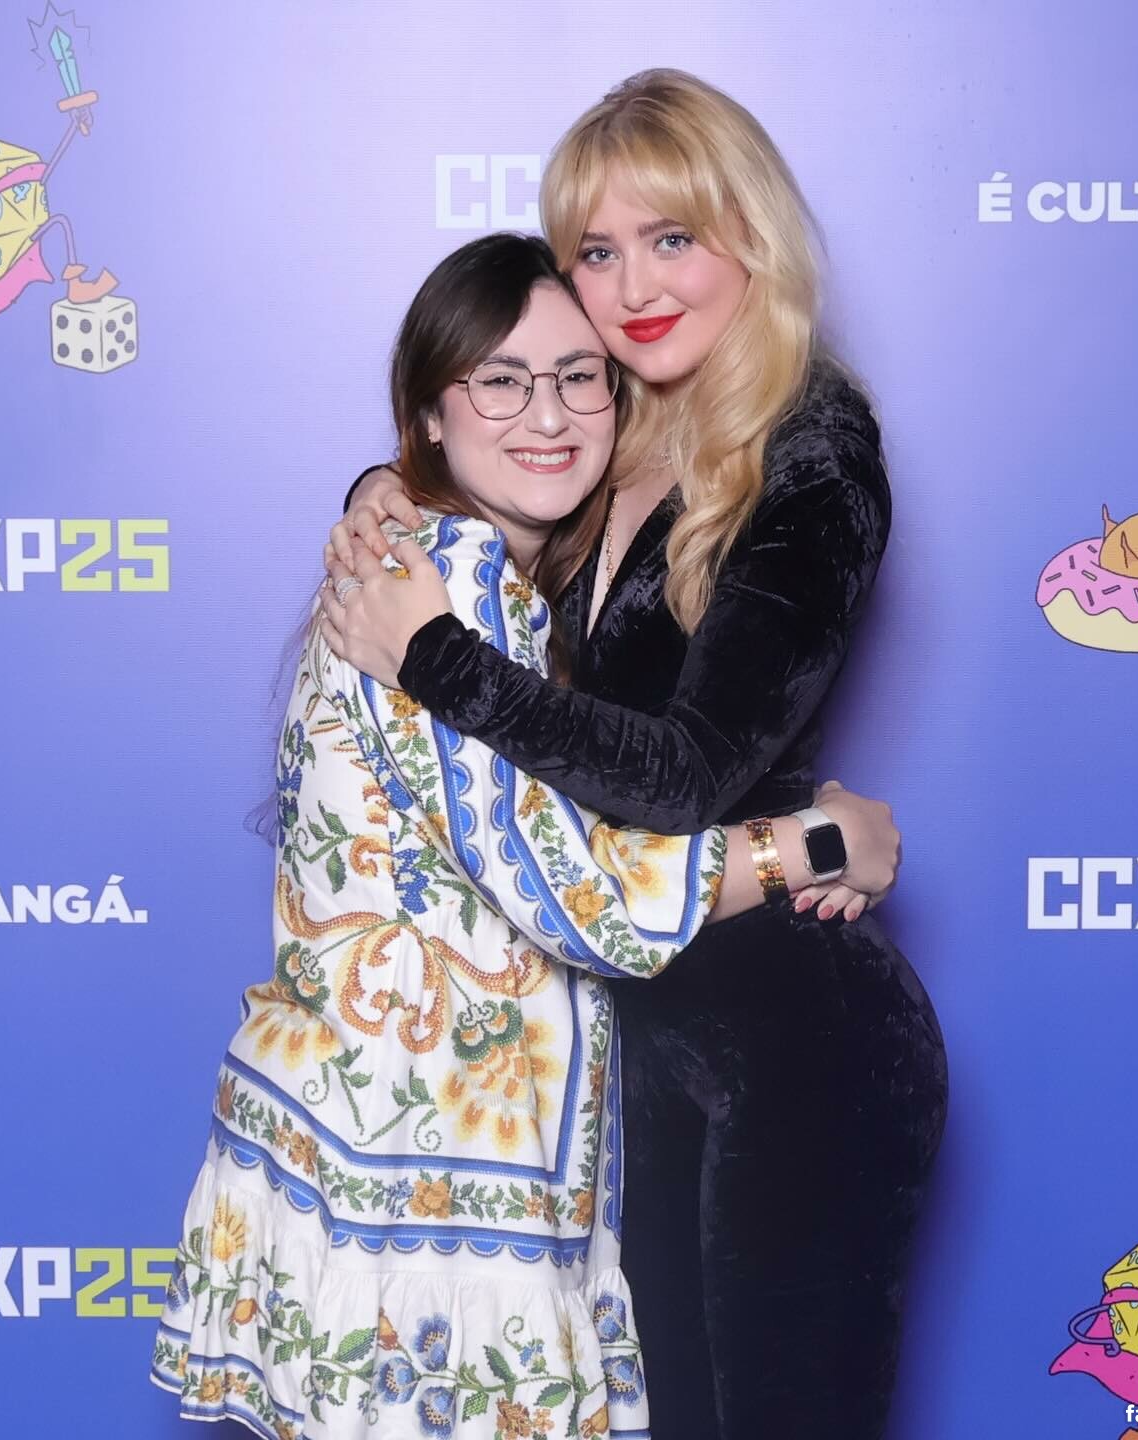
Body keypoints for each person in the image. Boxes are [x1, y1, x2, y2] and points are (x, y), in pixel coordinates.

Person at [151, 231, 898, 1440]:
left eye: (577, 376)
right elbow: (580, 897)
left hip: (379, 1159)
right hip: (420, 1197)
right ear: (430, 413)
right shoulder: (442, 592)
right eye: (500, 381)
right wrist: (814, 843)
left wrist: (382, 482)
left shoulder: (449, 569)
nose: (547, 414)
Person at [321, 70, 948, 1440]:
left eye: (673, 238)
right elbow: (467, 456)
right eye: (597, 252)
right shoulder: (612, 425)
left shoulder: (813, 448)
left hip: (793, 1036)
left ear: (752, 238)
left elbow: (682, 774)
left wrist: (435, 657)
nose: (634, 286)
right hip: (628, 1024)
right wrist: (381, 491)